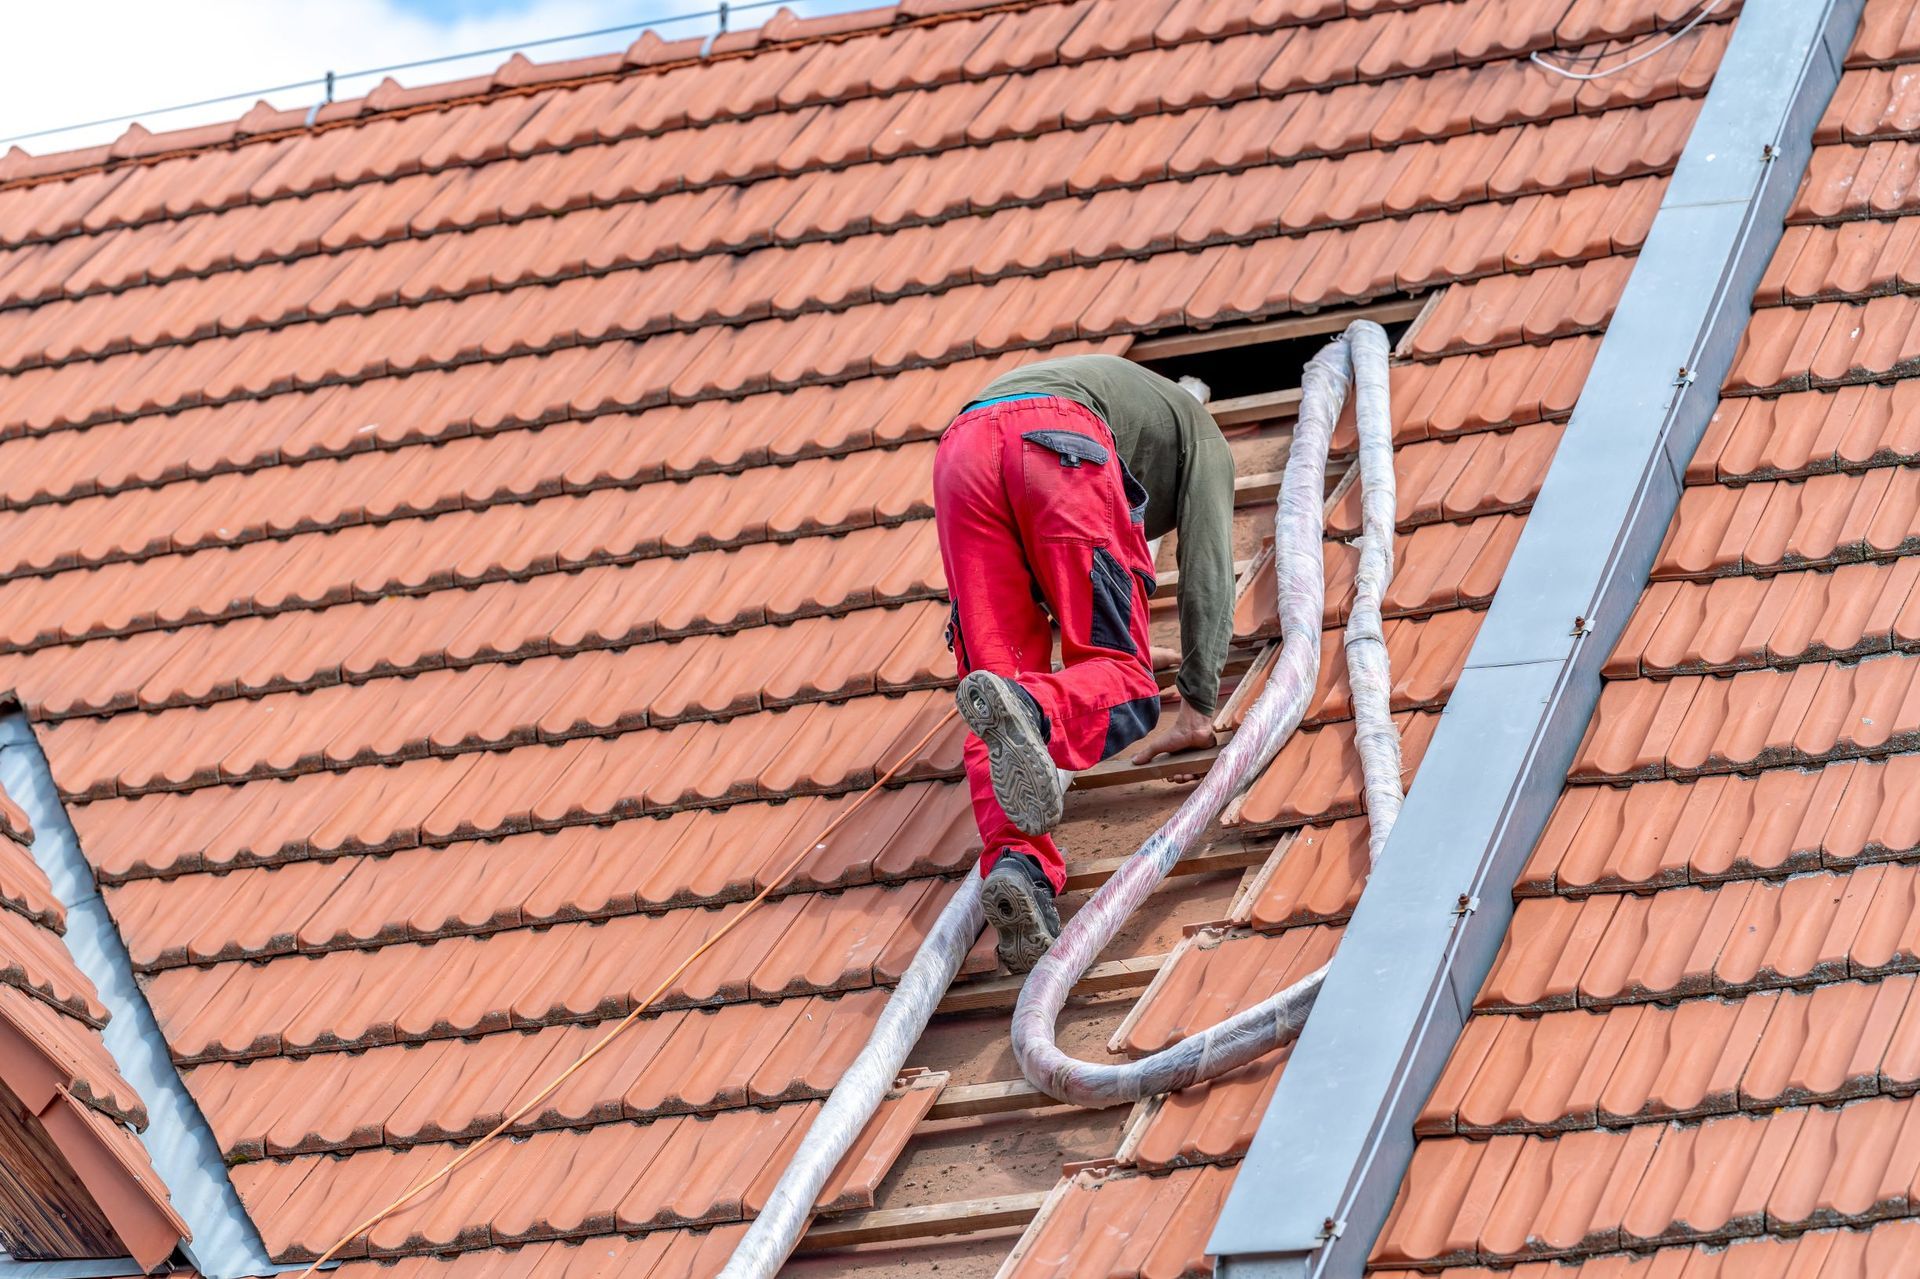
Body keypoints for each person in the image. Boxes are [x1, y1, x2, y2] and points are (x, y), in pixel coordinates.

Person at [932, 354, 1237, 972]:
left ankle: (1022, 870)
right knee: (1125, 682)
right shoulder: (1206, 439)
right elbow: (1208, 567)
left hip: (960, 452)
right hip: (1057, 444)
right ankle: (1035, 710)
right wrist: (1199, 703)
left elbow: (1046, 568)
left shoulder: (1130, 402)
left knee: (996, 685)